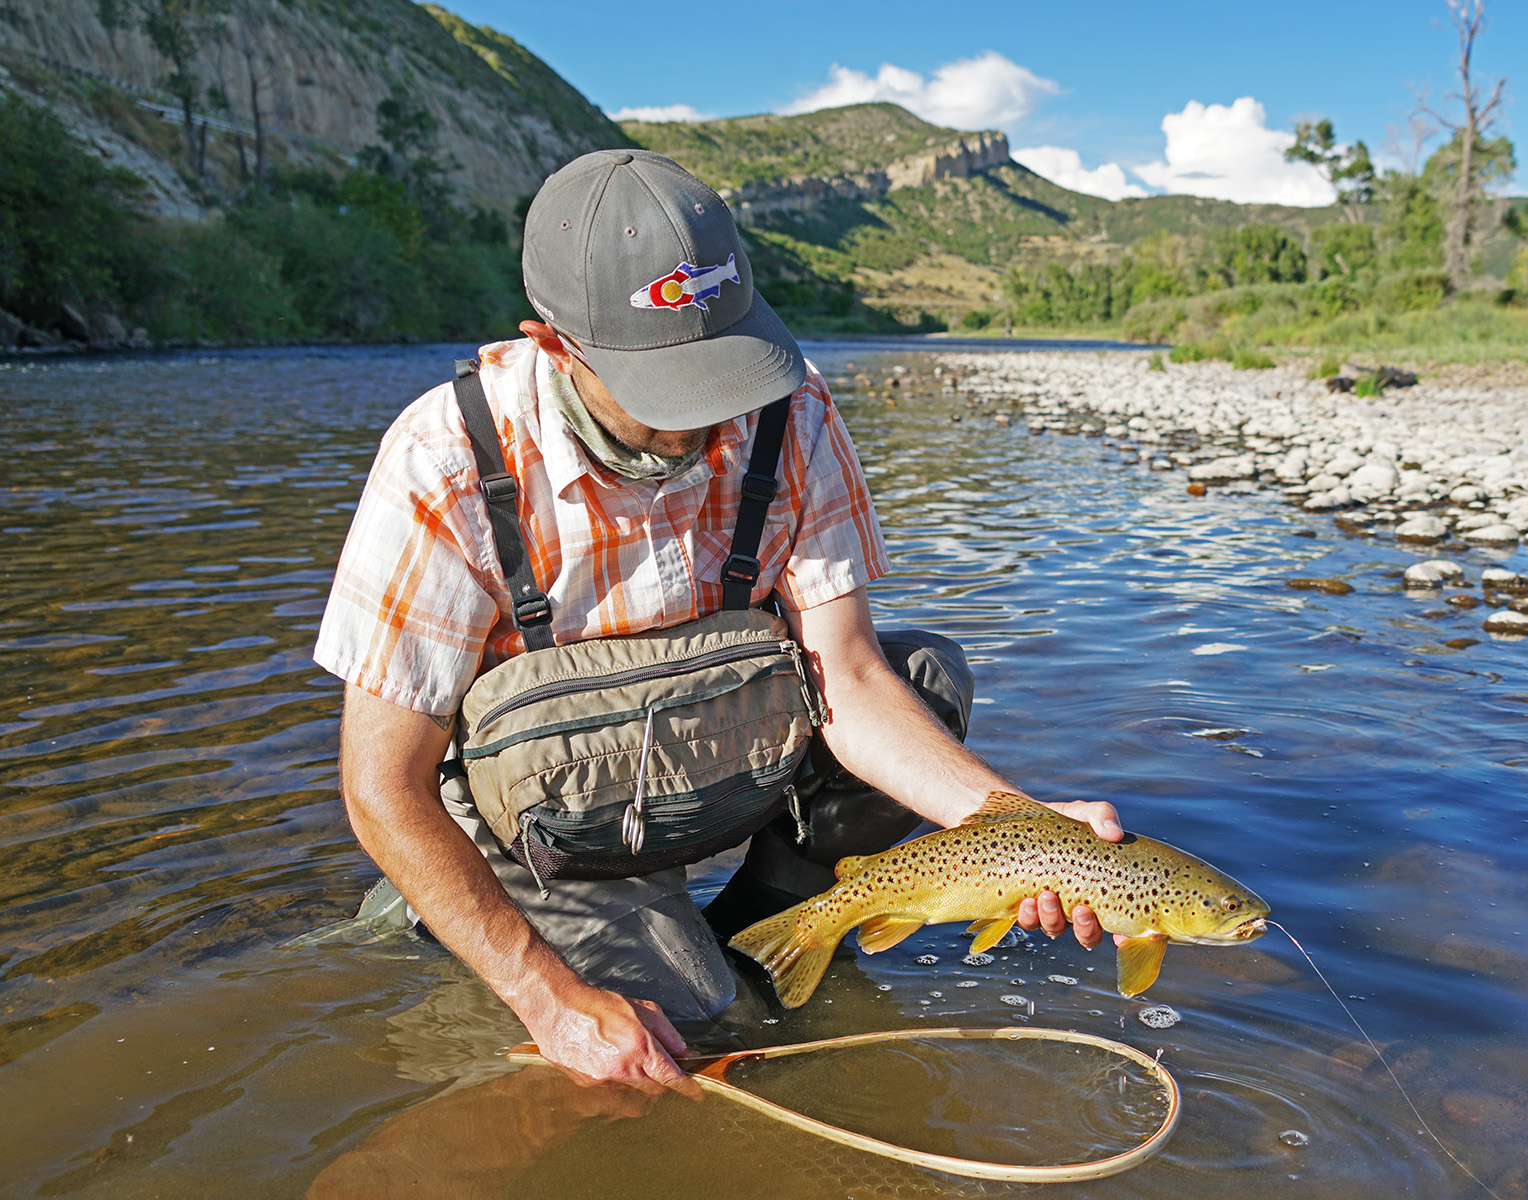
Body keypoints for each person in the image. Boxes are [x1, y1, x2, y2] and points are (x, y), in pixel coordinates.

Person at [312, 149, 1122, 1101]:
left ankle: (772, 918)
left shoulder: (794, 407)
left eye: (725, 369)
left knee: (928, 677)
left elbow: (851, 680)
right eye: (670, 389)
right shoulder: (445, 464)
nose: (709, 420)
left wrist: (1018, 827)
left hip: (705, 768)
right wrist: (549, 999)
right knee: (690, 1036)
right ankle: (454, 921)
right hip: (535, 833)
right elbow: (380, 787)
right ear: (555, 342)